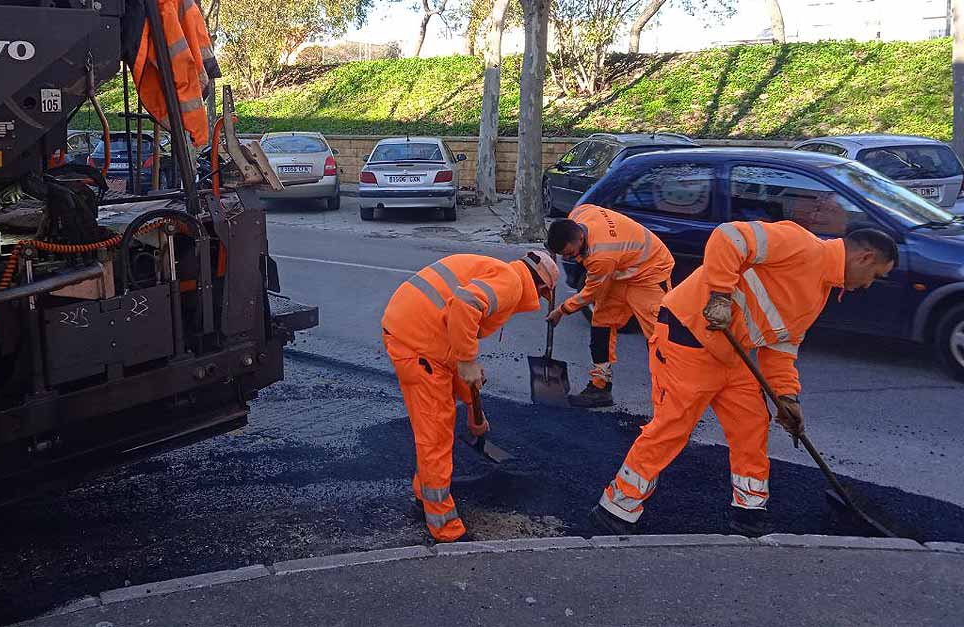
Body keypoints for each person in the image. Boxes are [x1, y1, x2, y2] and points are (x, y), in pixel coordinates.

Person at [590, 223, 898, 536]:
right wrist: (721, 296)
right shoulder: (801, 244)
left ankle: (750, 511)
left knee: (751, 424)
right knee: (672, 426)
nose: (869, 285)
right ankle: (617, 507)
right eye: (876, 275)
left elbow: (780, 346)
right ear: (865, 258)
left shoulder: (819, 292)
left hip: (730, 352)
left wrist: (787, 397)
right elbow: (728, 237)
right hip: (689, 335)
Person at [381, 251, 560, 542]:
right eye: (543, 296)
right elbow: (465, 304)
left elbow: (459, 331)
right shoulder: (513, 284)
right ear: (541, 288)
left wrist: (474, 412)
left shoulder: (500, 272)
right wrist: (466, 361)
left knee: (439, 424)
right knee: (435, 434)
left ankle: (423, 494)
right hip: (418, 343)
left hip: (424, 333)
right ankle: (444, 528)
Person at [545, 205, 675, 407]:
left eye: (570, 253)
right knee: (601, 323)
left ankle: (671, 398)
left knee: (659, 336)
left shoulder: (601, 256)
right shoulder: (579, 214)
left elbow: (590, 293)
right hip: (620, 270)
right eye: (563, 255)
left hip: (650, 271)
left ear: (580, 238)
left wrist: (562, 310)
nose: (569, 258)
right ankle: (600, 387)